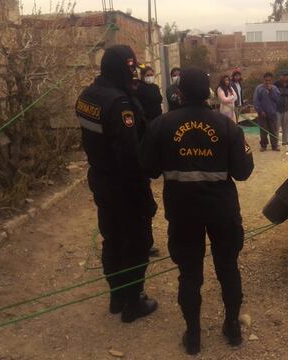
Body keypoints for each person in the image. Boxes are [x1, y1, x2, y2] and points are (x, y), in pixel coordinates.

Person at [139, 67, 254, 355]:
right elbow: (243, 171)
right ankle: (232, 328)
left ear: (180, 93)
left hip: (183, 211)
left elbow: (148, 167)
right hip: (222, 211)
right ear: (207, 93)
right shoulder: (228, 127)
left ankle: (193, 336)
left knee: (189, 274)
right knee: (228, 269)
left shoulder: (162, 125)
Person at [74, 45, 158, 323]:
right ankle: (133, 303)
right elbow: (129, 155)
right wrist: (145, 194)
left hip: (100, 178)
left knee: (111, 238)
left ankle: (116, 296)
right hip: (124, 185)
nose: (133, 74)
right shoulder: (120, 104)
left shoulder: (87, 96)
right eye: (130, 68)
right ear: (121, 68)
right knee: (137, 241)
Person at [253, 72, 281, 151]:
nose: (267, 82)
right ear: (263, 80)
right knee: (263, 131)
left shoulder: (275, 88)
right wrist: (260, 111)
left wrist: (271, 91)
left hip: (272, 113)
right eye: (266, 80)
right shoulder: (259, 88)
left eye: (269, 80)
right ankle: (263, 145)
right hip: (262, 114)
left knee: (273, 130)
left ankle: (274, 145)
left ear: (271, 80)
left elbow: (277, 99)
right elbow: (256, 101)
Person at [274, 70, 288, 146]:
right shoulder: (276, 84)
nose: (285, 77)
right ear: (280, 76)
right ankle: (275, 142)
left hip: (286, 108)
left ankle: (285, 141)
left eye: (286, 76)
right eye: (283, 75)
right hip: (277, 109)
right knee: (276, 127)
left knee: (286, 126)